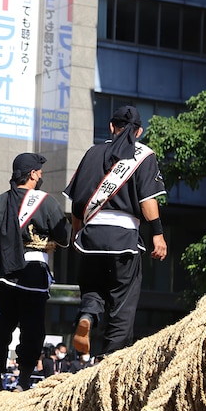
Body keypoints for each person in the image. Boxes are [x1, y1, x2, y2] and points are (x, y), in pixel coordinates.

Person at [64, 105, 168, 357]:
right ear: (139, 132)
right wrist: (158, 233)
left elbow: (78, 202)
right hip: (124, 238)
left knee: (93, 288)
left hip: (90, 237)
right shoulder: (144, 156)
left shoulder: (92, 153)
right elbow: (147, 200)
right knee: (122, 302)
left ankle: (88, 314)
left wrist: (77, 234)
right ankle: (110, 358)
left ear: (111, 127)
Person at [0, 152, 71, 391]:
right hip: (33, 272)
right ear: (32, 174)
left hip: (5, 273)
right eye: (39, 172)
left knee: (1, 326)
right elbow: (64, 237)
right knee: (32, 328)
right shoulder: (46, 202)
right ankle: (23, 379)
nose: (41, 175)